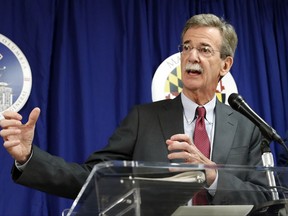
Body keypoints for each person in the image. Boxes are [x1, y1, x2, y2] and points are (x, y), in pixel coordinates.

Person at [0, 14, 270, 206]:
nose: (192, 56)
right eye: (186, 47)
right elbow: (92, 178)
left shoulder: (248, 129)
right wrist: (29, 158)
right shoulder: (144, 119)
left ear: (225, 65)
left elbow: (264, 198)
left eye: (204, 49)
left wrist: (213, 175)